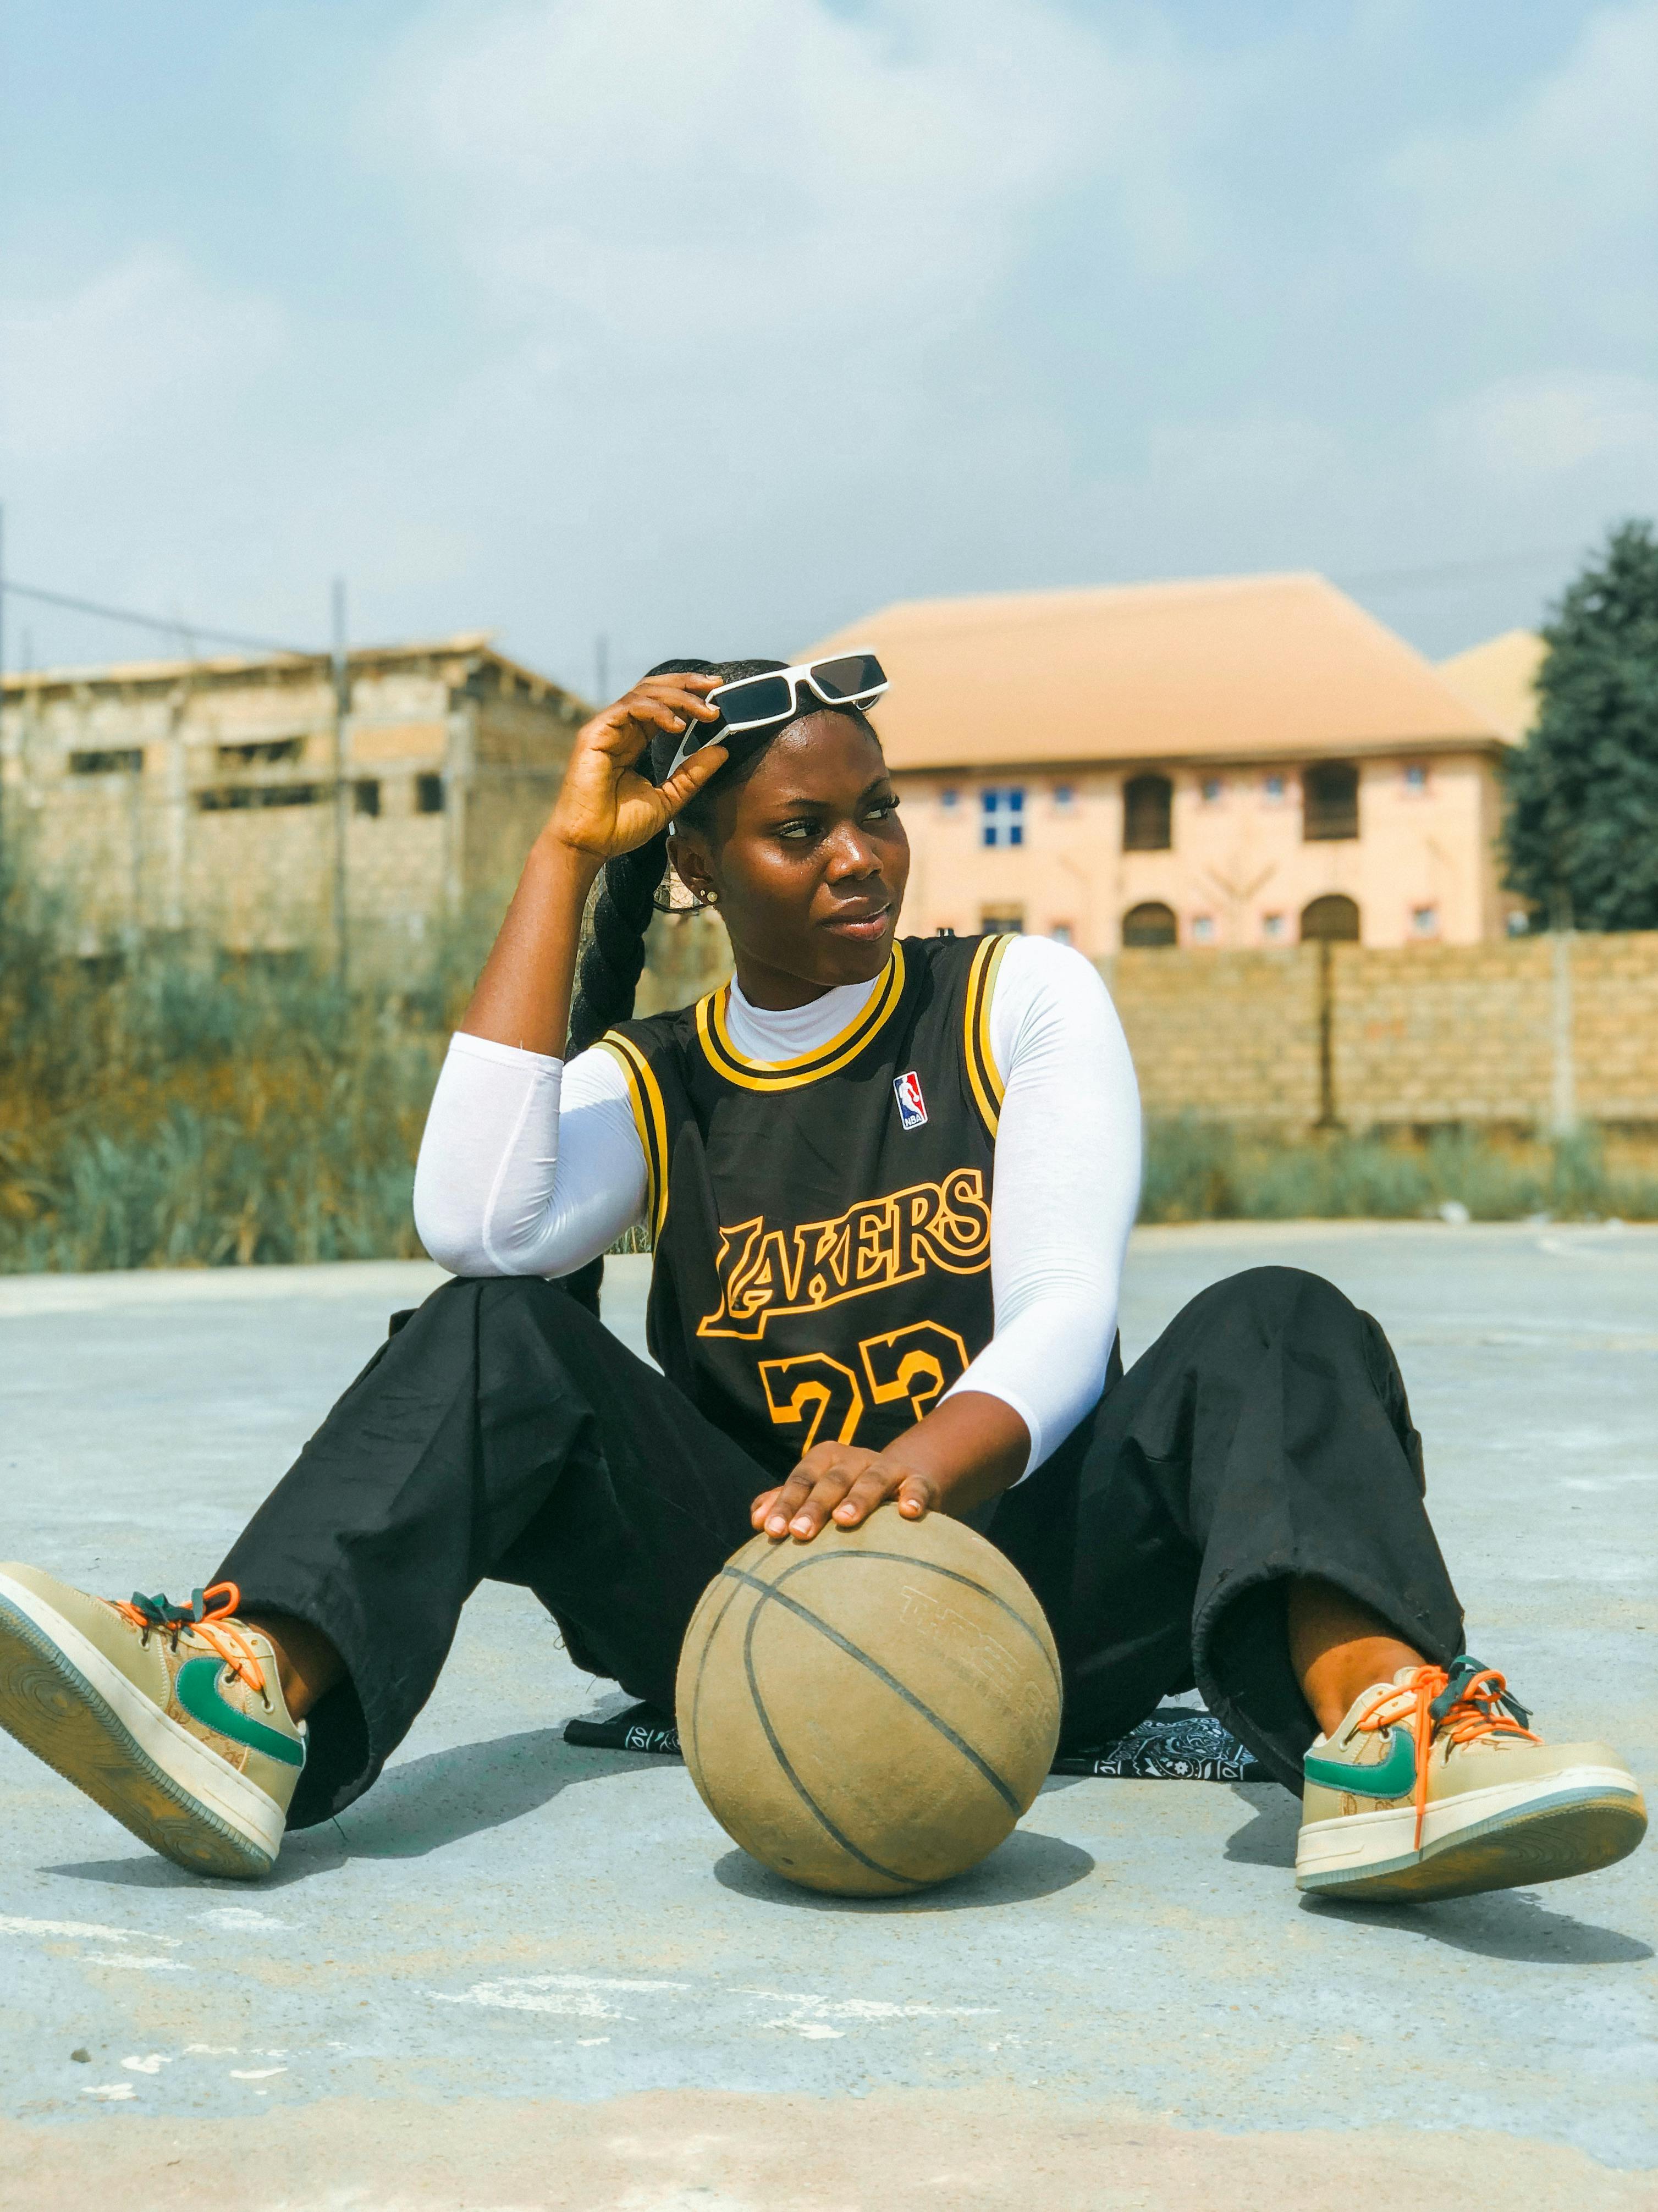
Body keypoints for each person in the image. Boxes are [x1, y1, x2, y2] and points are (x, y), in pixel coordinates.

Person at [0, 657, 1645, 1903]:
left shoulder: (1017, 999)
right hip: (746, 1583)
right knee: (494, 1325)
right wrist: (566, 854)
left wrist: (913, 1468)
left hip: (1044, 1580)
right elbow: (472, 1223)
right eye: (802, 830)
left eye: (878, 811)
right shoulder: (657, 1078)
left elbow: (1069, 1315)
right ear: (701, 869)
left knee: (1280, 1315)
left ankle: (1394, 1735)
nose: (863, 855)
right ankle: (245, 1697)